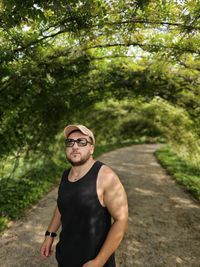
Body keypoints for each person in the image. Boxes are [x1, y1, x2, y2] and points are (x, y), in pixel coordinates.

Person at [40, 124, 128, 267]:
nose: (75, 146)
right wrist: (50, 234)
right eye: (70, 142)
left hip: (93, 262)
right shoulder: (65, 175)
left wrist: (99, 261)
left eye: (82, 142)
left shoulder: (106, 176)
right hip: (65, 258)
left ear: (91, 148)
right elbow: (62, 205)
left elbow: (121, 221)